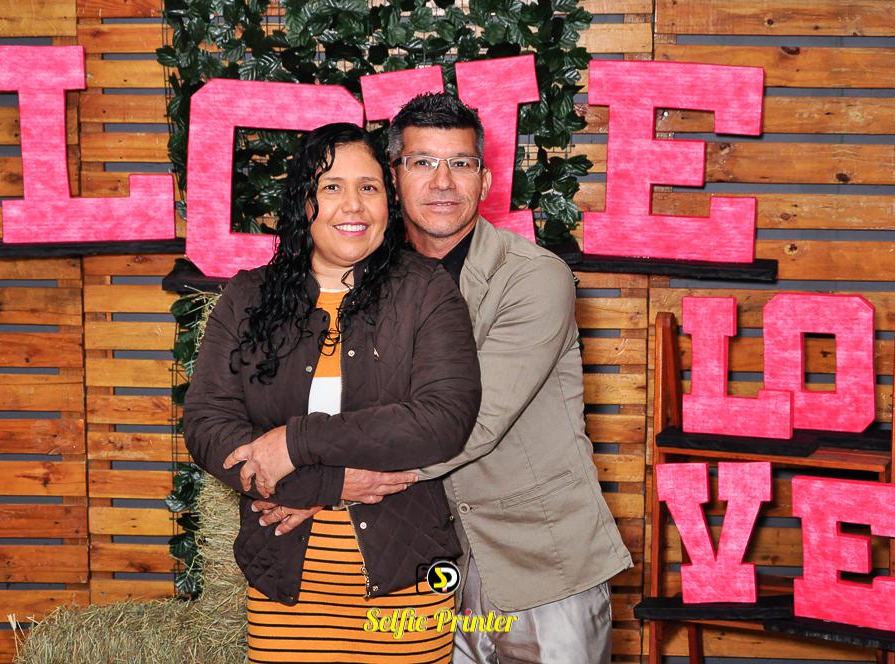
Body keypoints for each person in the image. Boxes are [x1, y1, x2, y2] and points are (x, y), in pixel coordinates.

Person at [256, 94, 634, 663]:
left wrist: (331, 483)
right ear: (393, 178)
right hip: (429, 566)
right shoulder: (364, 282)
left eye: (460, 163)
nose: (442, 182)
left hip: (540, 560)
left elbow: (470, 422)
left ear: (485, 181)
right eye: (422, 162)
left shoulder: (533, 278)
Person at [183, 121, 482, 663]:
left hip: (406, 589)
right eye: (331, 187)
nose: (353, 206)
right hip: (284, 589)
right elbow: (207, 426)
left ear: (388, 201)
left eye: (368, 187)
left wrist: (295, 443)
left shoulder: (426, 292)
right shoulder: (247, 298)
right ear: (305, 202)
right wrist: (328, 484)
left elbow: (442, 420)